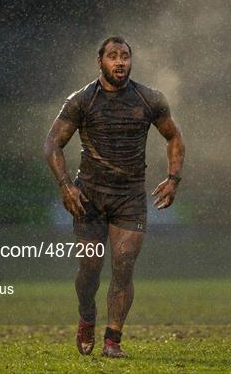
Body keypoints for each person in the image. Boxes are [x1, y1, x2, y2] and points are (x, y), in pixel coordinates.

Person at [44, 36, 185, 358]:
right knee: (90, 268)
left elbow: (173, 136)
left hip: (130, 198)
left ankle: (113, 340)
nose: (120, 62)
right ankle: (86, 315)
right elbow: (52, 144)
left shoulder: (149, 99)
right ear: (101, 62)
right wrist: (66, 186)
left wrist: (174, 178)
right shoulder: (82, 100)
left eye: (125, 56)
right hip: (89, 198)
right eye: (113, 56)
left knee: (123, 265)